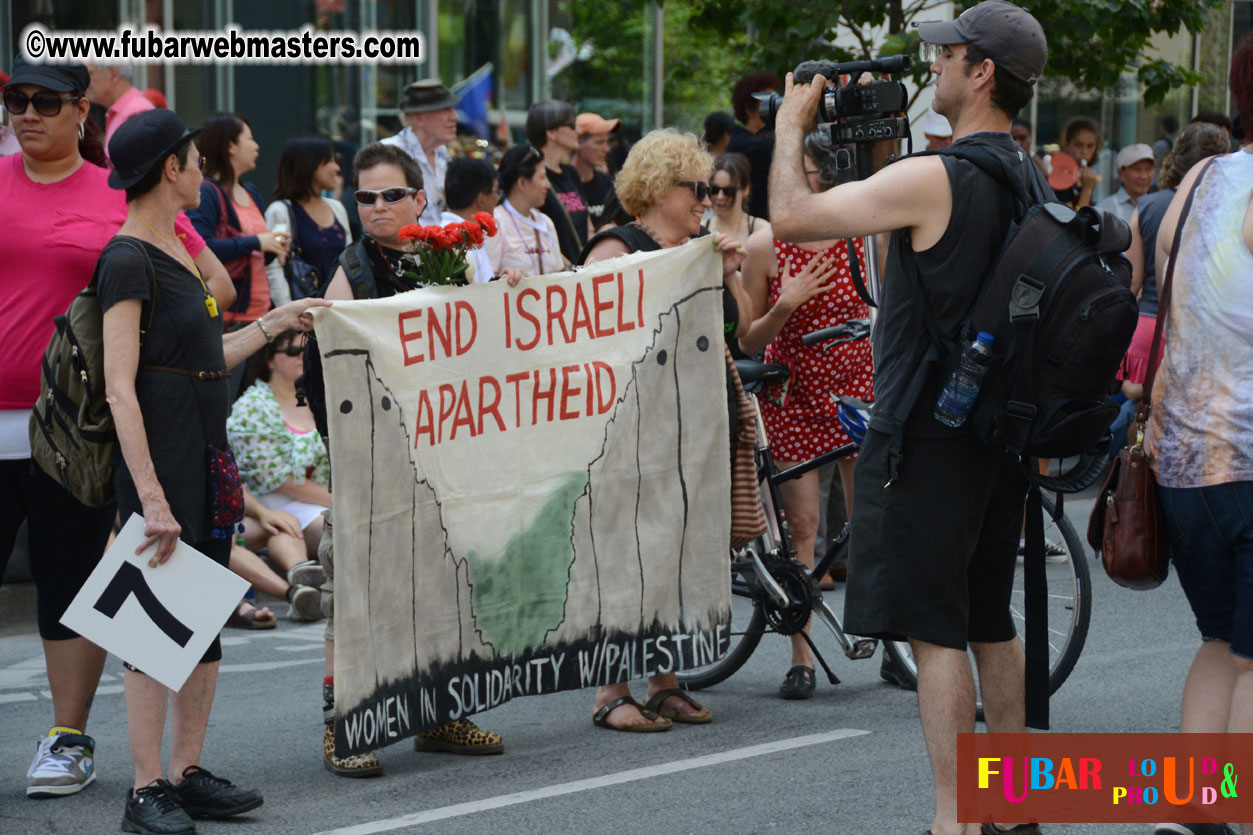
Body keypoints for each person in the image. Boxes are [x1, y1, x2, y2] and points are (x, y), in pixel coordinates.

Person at [769, 3, 1049, 832]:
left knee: (934, 637)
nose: (931, 67)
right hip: (995, 430)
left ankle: (951, 816)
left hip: (926, 436)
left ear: (981, 72)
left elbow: (791, 216)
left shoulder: (940, 175)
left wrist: (791, 126)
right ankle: (1015, 805)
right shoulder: (1022, 174)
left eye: (945, 55)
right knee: (990, 619)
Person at [0, 56, 228, 801]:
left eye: (43, 101)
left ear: (81, 114)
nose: (26, 113)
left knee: (66, 578)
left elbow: (215, 288)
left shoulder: (121, 203)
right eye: (14, 101)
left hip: (77, 432)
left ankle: (68, 740)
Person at [98, 108, 327, 834]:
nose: (205, 174)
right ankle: (145, 788)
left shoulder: (173, 250)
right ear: (172, 169)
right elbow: (119, 385)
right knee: (151, 630)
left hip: (202, 456)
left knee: (199, 623)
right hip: (161, 464)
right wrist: (152, 495)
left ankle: (186, 772)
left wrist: (278, 321)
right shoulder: (128, 256)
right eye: (196, 161)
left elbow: (202, 358)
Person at [320, 142, 505, 774]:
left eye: (390, 195)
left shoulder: (454, 258)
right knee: (359, 588)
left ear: (419, 199)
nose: (376, 207)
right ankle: (345, 720)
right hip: (372, 454)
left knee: (447, 579)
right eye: (365, 197)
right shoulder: (351, 270)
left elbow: (486, 350)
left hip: (447, 453)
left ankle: (441, 712)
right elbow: (331, 373)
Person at [580, 128, 750, 732]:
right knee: (624, 556)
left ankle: (664, 681)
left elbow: (740, 330)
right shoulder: (616, 247)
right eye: (695, 189)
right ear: (656, 189)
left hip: (691, 428)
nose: (707, 200)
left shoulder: (702, 247)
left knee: (675, 555)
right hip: (629, 432)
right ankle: (609, 691)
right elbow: (586, 335)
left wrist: (726, 273)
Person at [1148, 31, 1253, 835]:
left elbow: (1168, 300)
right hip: (1249, 459)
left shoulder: (1197, 181)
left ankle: (1196, 811)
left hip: (1181, 462)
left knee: (1221, 640)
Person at [739, 131, 873, 699]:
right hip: (794, 393)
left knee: (872, 522)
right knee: (804, 531)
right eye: (818, 173)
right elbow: (748, 337)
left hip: (856, 389)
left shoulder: (857, 231)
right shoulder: (767, 245)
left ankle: (892, 644)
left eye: (833, 172)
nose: (829, 183)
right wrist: (786, 302)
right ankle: (802, 655)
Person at [1110, 122, 1230, 456]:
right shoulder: (1228, 208)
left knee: (1145, 415)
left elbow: (1130, 283)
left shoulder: (1147, 205)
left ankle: (1135, 485)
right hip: (1198, 330)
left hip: (1148, 327)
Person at [227, 328, 331, 621]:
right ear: (270, 359)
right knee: (311, 524)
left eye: (306, 351)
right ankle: (301, 586)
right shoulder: (252, 406)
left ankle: (302, 585)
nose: (302, 358)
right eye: (293, 351)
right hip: (261, 501)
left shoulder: (320, 396)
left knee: (290, 524)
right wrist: (339, 501)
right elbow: (277, 480)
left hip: (305, 505)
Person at [190, 112, 290, 334]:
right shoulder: (207, 192)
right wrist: (257, 241)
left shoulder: (251, 191)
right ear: (230, 146)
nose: (256, 146)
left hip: (262, 313)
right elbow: (201, 249)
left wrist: (273, 246)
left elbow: (255, 257)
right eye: (250, 139)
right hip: (228, 317)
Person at [264, 136, 353, 305]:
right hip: (302, 315)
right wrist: (289, 317)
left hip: (338, 310)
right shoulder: (281, 211)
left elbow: (349, 263)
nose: (336, 168)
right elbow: (273, 269)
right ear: (308, 165)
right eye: (329, 161)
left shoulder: (337, 208)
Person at [381, 78, 460, 226]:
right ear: (419, 118)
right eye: (445, 110)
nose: (455, 117)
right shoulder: (389, 153)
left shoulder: (443, 151)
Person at [526, 100, 593, 265]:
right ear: (552, 134)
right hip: (559, 279)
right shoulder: (533, 177)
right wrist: (571, 269)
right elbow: (533, 236)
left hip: (583, 273)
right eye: (571, 125)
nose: (578, 131)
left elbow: (588, 226)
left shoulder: (571, 173)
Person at [484, 144, 565, 277]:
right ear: (522, 183)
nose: (548, 185)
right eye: (542, 177)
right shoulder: (496, 224)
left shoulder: (545, 222)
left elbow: (559, 274)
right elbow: (487, 281)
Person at [441, 155, 522, 285]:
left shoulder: (466, 234)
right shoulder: (455, 241)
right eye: (497, 192)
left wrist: (501, 280)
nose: (497, 199)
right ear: (482, 198)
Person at [728, 71, 780, 219]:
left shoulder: (743, 140)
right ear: (749, 108)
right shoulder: (748, 145)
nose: (775, 108)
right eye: (769, 103)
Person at [574, 112, 632, 231]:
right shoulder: (562, 186)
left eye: (607, 142)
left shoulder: (610, 184)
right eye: (599, 142)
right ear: (578, 142)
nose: (606, 149)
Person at [85, 62, 153, 152]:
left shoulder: (136, 113)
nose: (85, 80)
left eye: (90, 73)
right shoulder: (122, 111)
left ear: (113, 75)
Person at [706, 152, 770, 245]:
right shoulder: (699, 230)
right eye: (714, 190)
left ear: (745, 190)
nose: (720, 197)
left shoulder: (762, 230)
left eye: (728, 191)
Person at [1095, 143, 1155, 223]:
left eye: (1148, 169)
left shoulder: (1157, 207)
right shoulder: (1105, 209)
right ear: (1121, 173)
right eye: (1137, 169)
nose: (1144, 176)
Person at [1053, 116, 1101, 208]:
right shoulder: (1061, 176)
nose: (1084, 152)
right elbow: (1073, 220)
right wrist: (1087, 190)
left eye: (1090, 146)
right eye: (1078, 145)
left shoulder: (1082, 176)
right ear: (1067, 144)